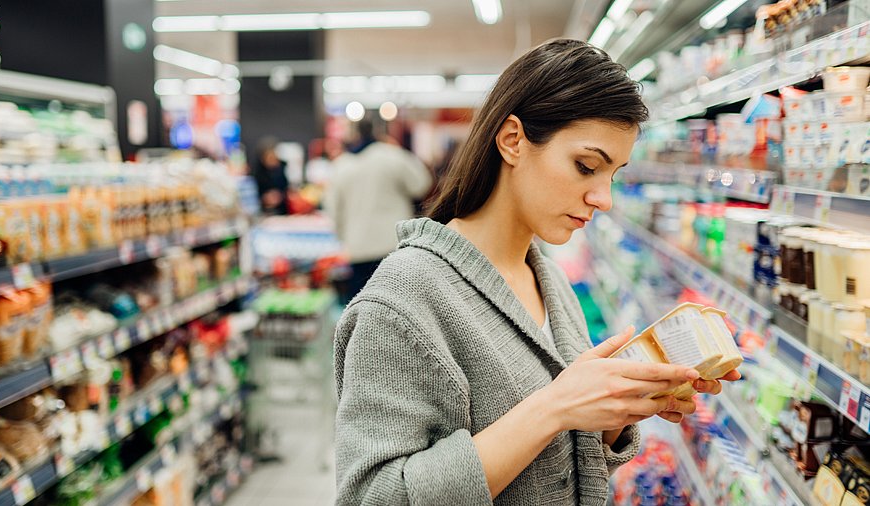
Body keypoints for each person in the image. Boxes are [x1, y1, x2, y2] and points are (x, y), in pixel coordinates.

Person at [334, 39, 741, 506]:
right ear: (512, 141)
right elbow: (373, 497)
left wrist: (611, 415)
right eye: (586, 166)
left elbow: (554, 468)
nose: (603, 198)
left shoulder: (551, 282)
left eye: (613, 175)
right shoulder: (402, 303)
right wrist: (555, 406)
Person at [324, 119, 431, 303]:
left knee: (361, 308)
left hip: (358, 248)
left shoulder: (341, 166)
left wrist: (344, 239)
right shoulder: (392, 156)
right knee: (400, 306)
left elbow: (333, 210)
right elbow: (421, 184)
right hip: (394, 245)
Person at [251, 136, 289, 215]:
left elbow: (287, 189)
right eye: (269, 157)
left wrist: (280, 195)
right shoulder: (257, 173)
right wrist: (264, 198)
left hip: (282, 211)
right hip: (262, 212)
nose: (272, 160)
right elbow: (253, 196)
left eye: (273, 157)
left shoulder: (282, 169)